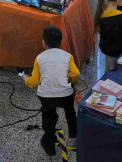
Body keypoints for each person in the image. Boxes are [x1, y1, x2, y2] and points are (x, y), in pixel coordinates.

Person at [22, 26, 80, 154]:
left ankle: (49, 144)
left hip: (46, 96)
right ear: (61, 41)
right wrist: (71, 83)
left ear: (43, 42)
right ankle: (73, 138)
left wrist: (25, 78)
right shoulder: (67, 56)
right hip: (66, 95)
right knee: (70, 112)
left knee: (48, 116)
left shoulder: (39, 58)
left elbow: (34, 82)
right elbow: (75, 73)